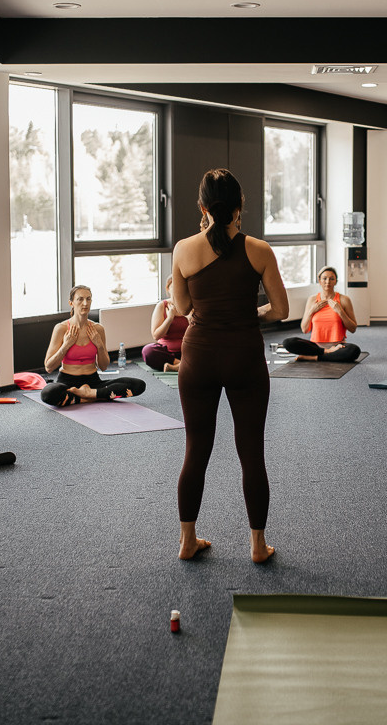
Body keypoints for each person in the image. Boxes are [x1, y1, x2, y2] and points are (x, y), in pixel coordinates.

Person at [171, 168, 288, 563]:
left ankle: (188, 540)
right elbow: (282, 309)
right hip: (244, 357)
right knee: (251, 452)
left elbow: (183, 308)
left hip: (198, 357)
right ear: (240, 207)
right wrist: (248, 314)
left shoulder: (183, 249)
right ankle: (258, 546)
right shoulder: (259, 250)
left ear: (202, 207)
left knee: (195, 450)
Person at [41, 285, 147, 406]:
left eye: (88, 299)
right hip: (67, 381)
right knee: (48, 394)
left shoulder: (98, 329)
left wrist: (99, 345)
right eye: (80, 299)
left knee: (138, 385)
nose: (85, 303)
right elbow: (49, 367)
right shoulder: (61, 328)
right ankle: (95, 396)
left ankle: (86, 395)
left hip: (92, 381)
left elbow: (103, 366)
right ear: (71, 303)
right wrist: (66, 345)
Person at [281, 265, 361, 363]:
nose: (328, 282)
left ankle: (315, 358)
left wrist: (340, 311)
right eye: (324, 279)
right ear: (319, 280)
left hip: (337, 346)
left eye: (332, 279)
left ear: (336, 281)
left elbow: (353, 329)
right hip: (315, 347)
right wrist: (311, 311)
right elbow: (304, 329)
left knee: (354, 351)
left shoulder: (344, 300)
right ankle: (325, 353)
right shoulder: (312, 300)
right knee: (288, 343)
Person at [141, 277, 189, 372]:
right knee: (148, 351)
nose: (178, 290)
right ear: (168, 289)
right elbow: (156, 335)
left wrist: (189, 318)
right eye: (174, 287)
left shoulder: (191, 305)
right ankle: (180, 364)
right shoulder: (162, 306)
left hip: (189, 351)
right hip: (167, 353)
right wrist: (169, 318)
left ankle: (179, 366)